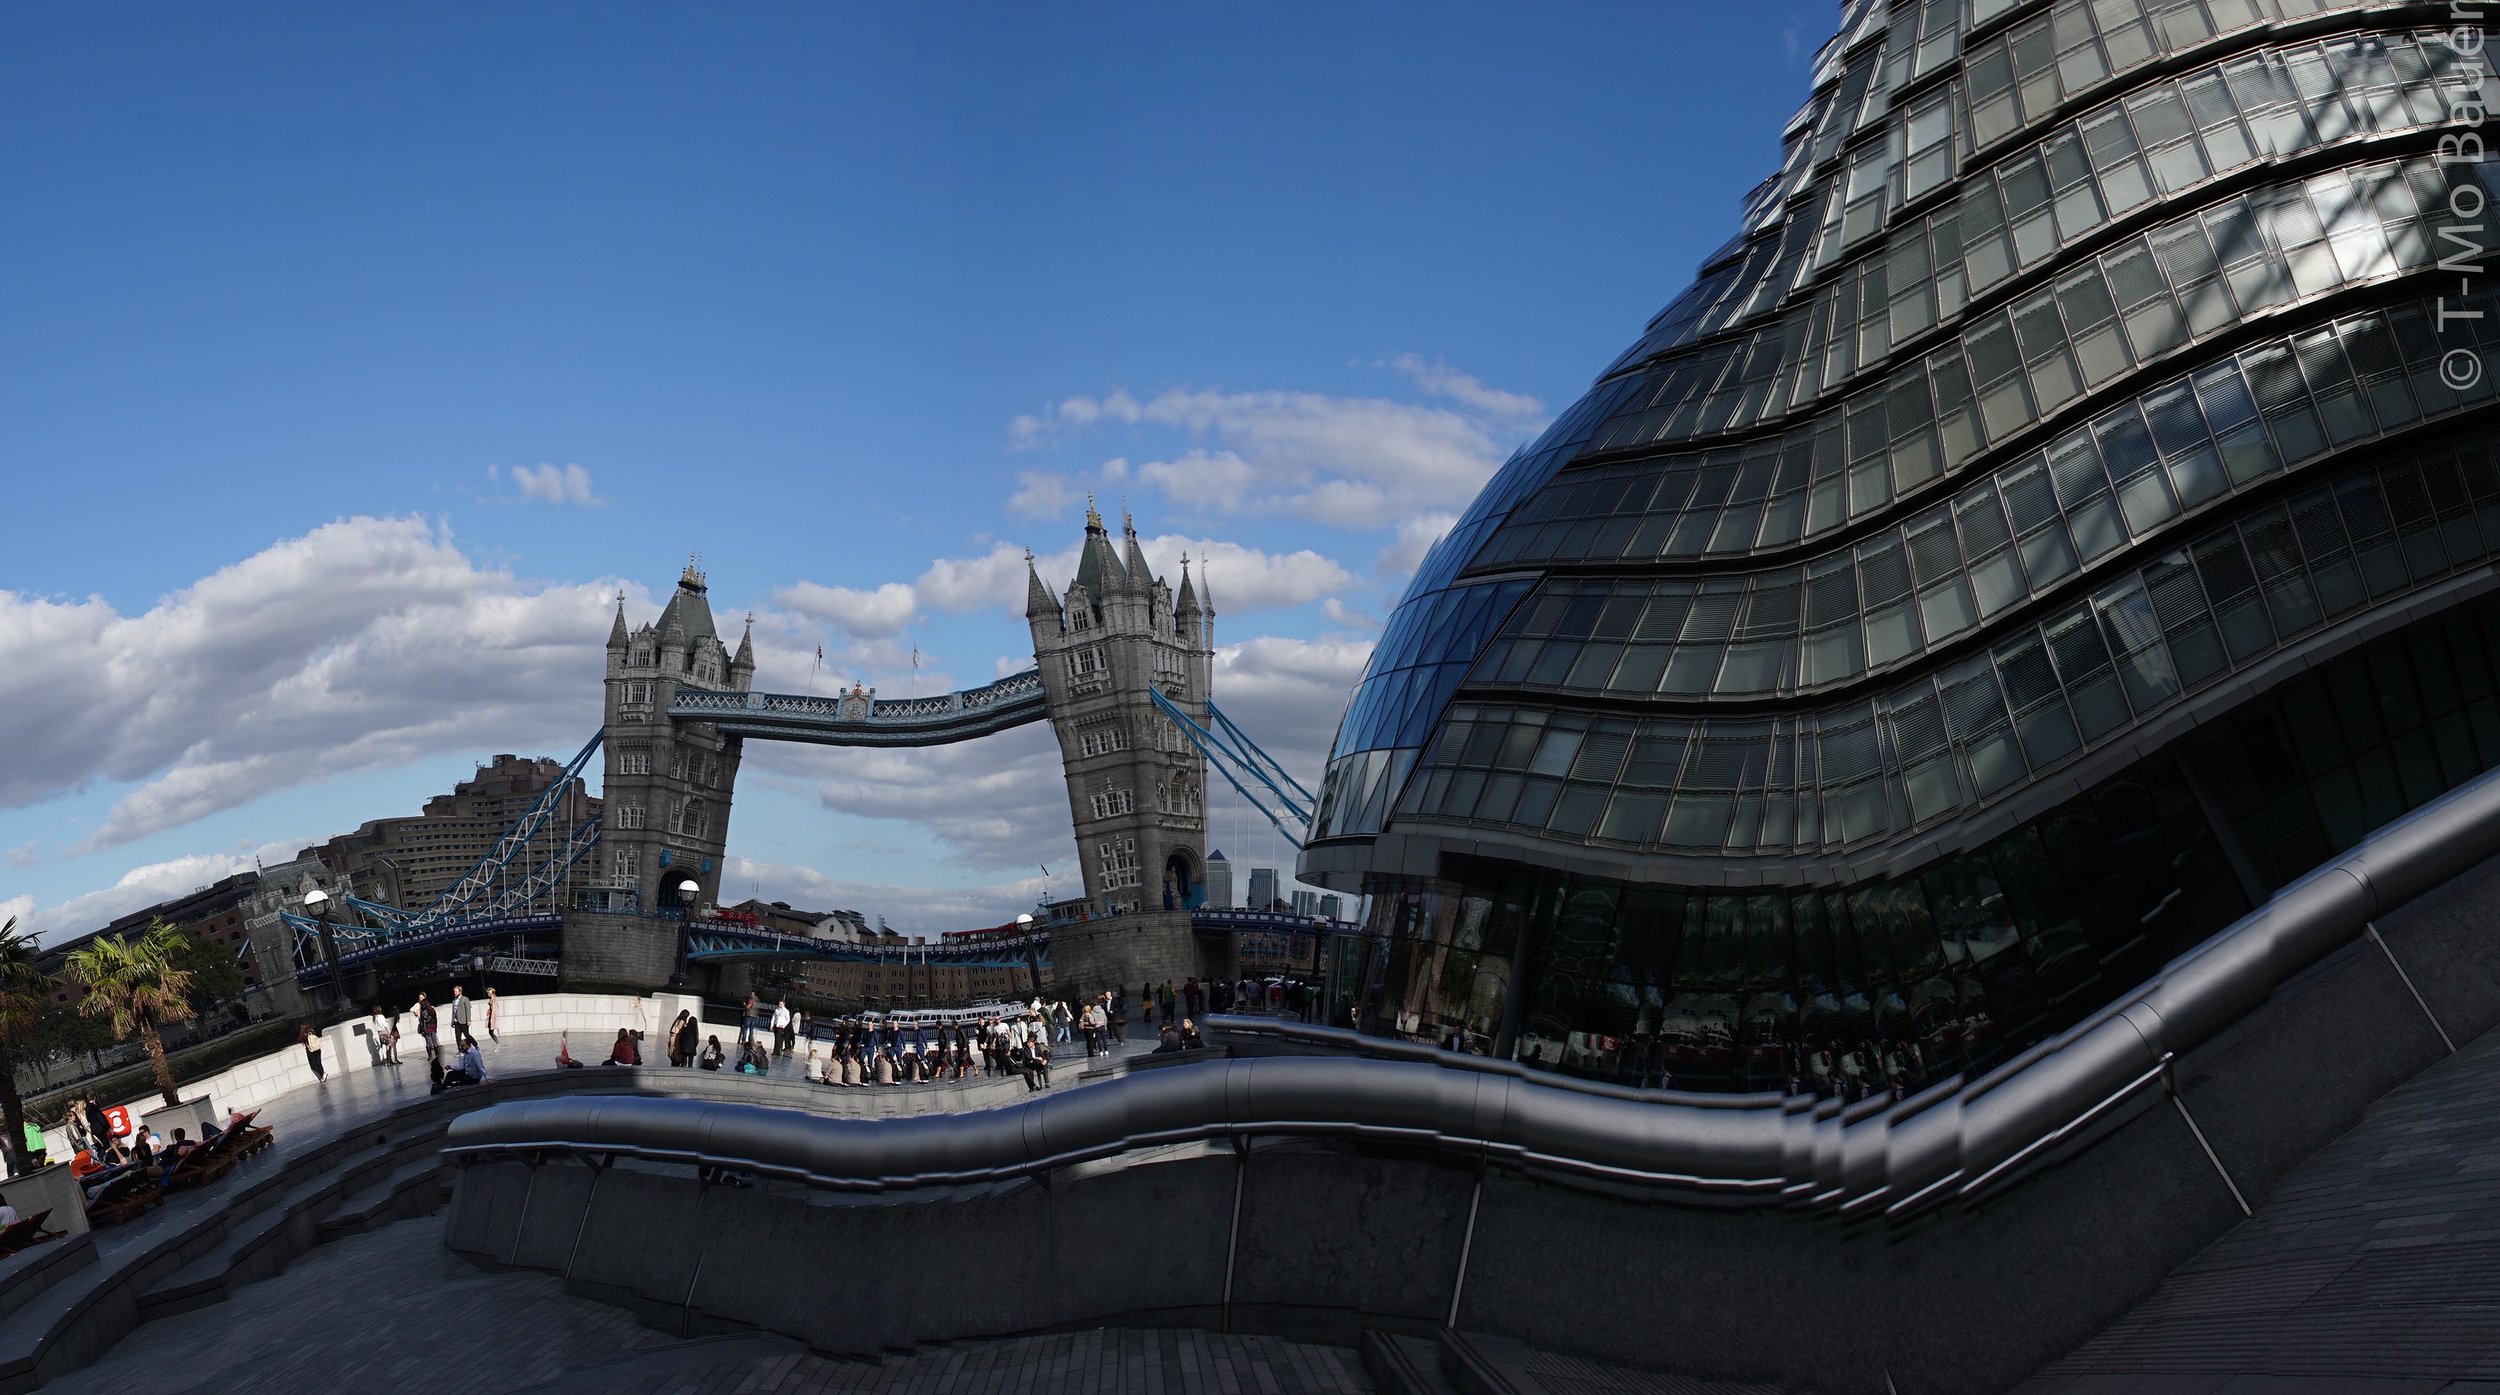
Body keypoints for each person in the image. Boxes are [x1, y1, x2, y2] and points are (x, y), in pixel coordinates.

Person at [414, 993, 439, 1061]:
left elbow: (422, 1021)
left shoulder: (422, 1012)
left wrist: (422, 1030)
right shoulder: (432, 1009)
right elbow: (435, 1019)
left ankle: (430, 1056)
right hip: (432, 1027)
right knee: (434, 1041)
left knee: (428, 1042)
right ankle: (436, 1055)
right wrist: (435, 1027)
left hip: (426, 1028)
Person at [449, 985, 474, 1052]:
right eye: (454, 991)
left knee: (467, 1036)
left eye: (456, 991)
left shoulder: (465, 999)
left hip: (463, 1021)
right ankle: (460, 1050)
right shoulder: (454, 1001)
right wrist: (452, 1021)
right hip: (456, 1021)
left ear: (460, 991)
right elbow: (453, 1012)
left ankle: (475, 1045)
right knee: (458, 1037)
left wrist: (468, 1020)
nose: (455, 993)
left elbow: (468, 1010)